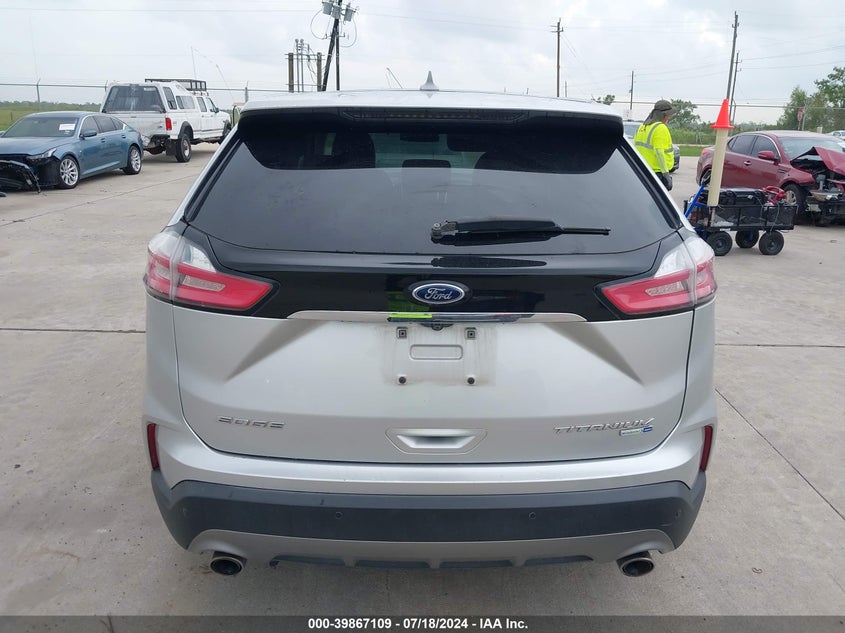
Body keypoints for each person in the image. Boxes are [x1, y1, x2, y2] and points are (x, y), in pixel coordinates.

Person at [634, 99, 676, 190]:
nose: (669, 118)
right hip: (657, 173)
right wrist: (666, 174)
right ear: (664, 115)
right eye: (668, 115)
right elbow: (659, 152)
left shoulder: (642, 127)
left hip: (642, 170)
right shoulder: (660, 128)